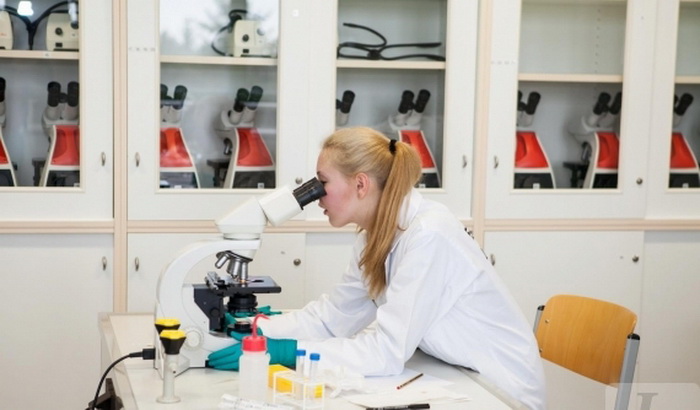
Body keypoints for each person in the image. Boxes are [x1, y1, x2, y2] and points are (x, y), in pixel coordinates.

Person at [208, 126, 546, 409]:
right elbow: (334, 317)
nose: (317, 197)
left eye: (322, 183)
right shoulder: (375, 236)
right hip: (451, 373)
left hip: (499, 390)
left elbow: (386, 351)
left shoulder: (429, 235)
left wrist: (288, 352)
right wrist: (262, 328)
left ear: (360, 184)